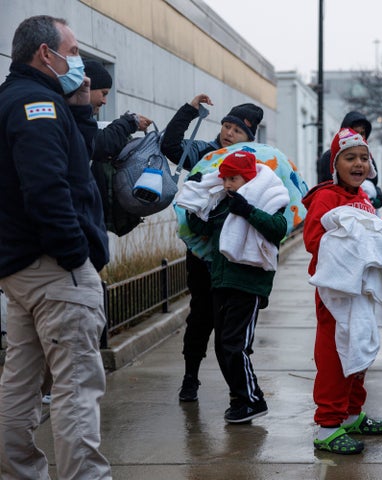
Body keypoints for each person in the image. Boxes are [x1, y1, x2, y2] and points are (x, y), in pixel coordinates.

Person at [0, 15, 112, 478]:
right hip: (53, 269)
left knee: (21, 383)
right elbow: (47, 188)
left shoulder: (25, 99)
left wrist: (81, 108)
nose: (78, 61)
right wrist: (73, 253)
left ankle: (17, 473)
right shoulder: (34, 105)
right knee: (76, 387)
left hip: (23, 270)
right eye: (72, 50)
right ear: (45, 53)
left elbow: (72, 164)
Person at [303, 128, 382, 454]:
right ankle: (328, 427)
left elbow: (369, 232)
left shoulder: (362, 197)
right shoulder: (326, 197)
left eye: (364, 157)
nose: (359, 163)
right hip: (336, 293)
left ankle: (350, 414)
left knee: (359, 350)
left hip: (360, 291)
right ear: (335, 163)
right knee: (335, 356)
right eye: (350, 157)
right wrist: (354, 242)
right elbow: (313, 241)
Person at [160, 94, 264, 402]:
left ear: (248, 139)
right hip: (203, 255)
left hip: (239, 259)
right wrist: (189, 110)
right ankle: (190, 376)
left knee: (234, 323)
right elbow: (170, 146)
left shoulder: (260, 164)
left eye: (237, 131)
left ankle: (241, 385)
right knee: (201, 316)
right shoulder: (205, 153)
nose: (228, 133)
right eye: (227, 125)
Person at [184, 150, 287, 423]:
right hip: (220, 281)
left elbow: (278, 229)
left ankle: (253, 400)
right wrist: (194, 193)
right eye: (225, 178)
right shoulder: (220, 203)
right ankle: (243, 399)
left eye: (234, 178)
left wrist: (248, 210)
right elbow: (199, 227)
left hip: (249, 283)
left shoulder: (265, 200)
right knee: (223, 345)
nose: (228, 184)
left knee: (235, 345)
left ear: (248, 178)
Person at [84, 58, 153, 236]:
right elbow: (101, 144)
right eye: (104, 93)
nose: (105, 101)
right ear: (86, 87)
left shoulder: (82, 121)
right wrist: (129, 122)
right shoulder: (73, 120)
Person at [317, 111, 382, 209]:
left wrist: (378, 197)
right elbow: (325, 186)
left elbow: (373, 184)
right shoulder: (329, 157)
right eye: (350, 158)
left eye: (364, 159)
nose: (359, 164)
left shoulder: (369, 157)